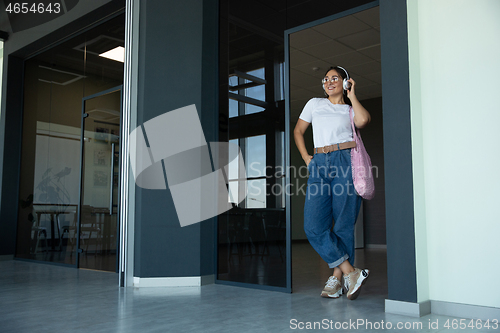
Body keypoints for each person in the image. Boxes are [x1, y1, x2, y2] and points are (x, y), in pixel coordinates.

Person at [293, 66, 371, 300]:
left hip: (345, 161)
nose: (329, 82)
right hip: (319, 162)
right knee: (313, 226)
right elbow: (298, 130)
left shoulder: (349, 109)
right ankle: (350, 272)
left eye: (335, 78)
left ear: (346, 82)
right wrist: (307, 157)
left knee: (344, 225)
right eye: (326, 79)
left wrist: (352, 95)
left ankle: (337, 281)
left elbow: (364, 120)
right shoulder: (315, 104)